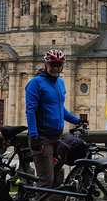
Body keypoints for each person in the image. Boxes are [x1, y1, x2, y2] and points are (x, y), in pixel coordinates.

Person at [25, 49, 83, 187]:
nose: (56, 68)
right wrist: (34, 136)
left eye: (59, 65)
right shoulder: (35, 83)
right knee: (46, 180)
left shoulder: (60, 83)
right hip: (42, 138)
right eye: (53, 64)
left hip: (57, 137)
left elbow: (59, 108)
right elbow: (30, 111)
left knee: (56, 180)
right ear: (46, 64)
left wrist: (77, 120)